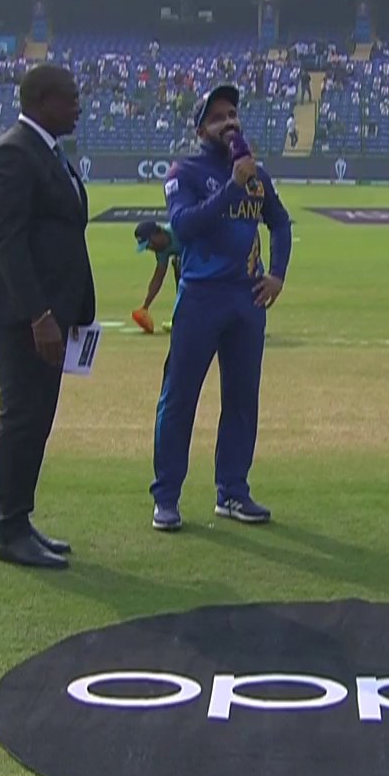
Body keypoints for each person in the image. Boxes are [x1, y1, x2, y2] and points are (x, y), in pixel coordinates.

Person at [149, 84, 293, 532]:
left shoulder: (256, 174)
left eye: (232, 114)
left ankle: (232, 491)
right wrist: (233, 186)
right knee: (179, 399)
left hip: (247, 300)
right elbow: (184, 226)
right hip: (201, 298)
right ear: (200, 130)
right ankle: (166, 497)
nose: (229, 122)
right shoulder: (185, 172)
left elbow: (280, 222)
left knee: (242, 400)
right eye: (217, 117)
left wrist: (278, 274)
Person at [0, 63, 92, 570]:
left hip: (51, 310)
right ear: (42, 101)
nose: (79, 107)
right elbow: (8, 243)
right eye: (71, 98)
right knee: (22, 416)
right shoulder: (15, 154)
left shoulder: (48, 152)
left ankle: (20, 519)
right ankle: (8, 528)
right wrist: (39, 315)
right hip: (21, 312)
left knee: (38, 416)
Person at [132, 218, 182, 334]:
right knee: (179, 266)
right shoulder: (160, 249)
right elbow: (158, 277)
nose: (150, 248)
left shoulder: (178, 230)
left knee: (180, 264)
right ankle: (181, 319)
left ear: (157, 234)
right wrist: (145, 307)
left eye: (149, 243)